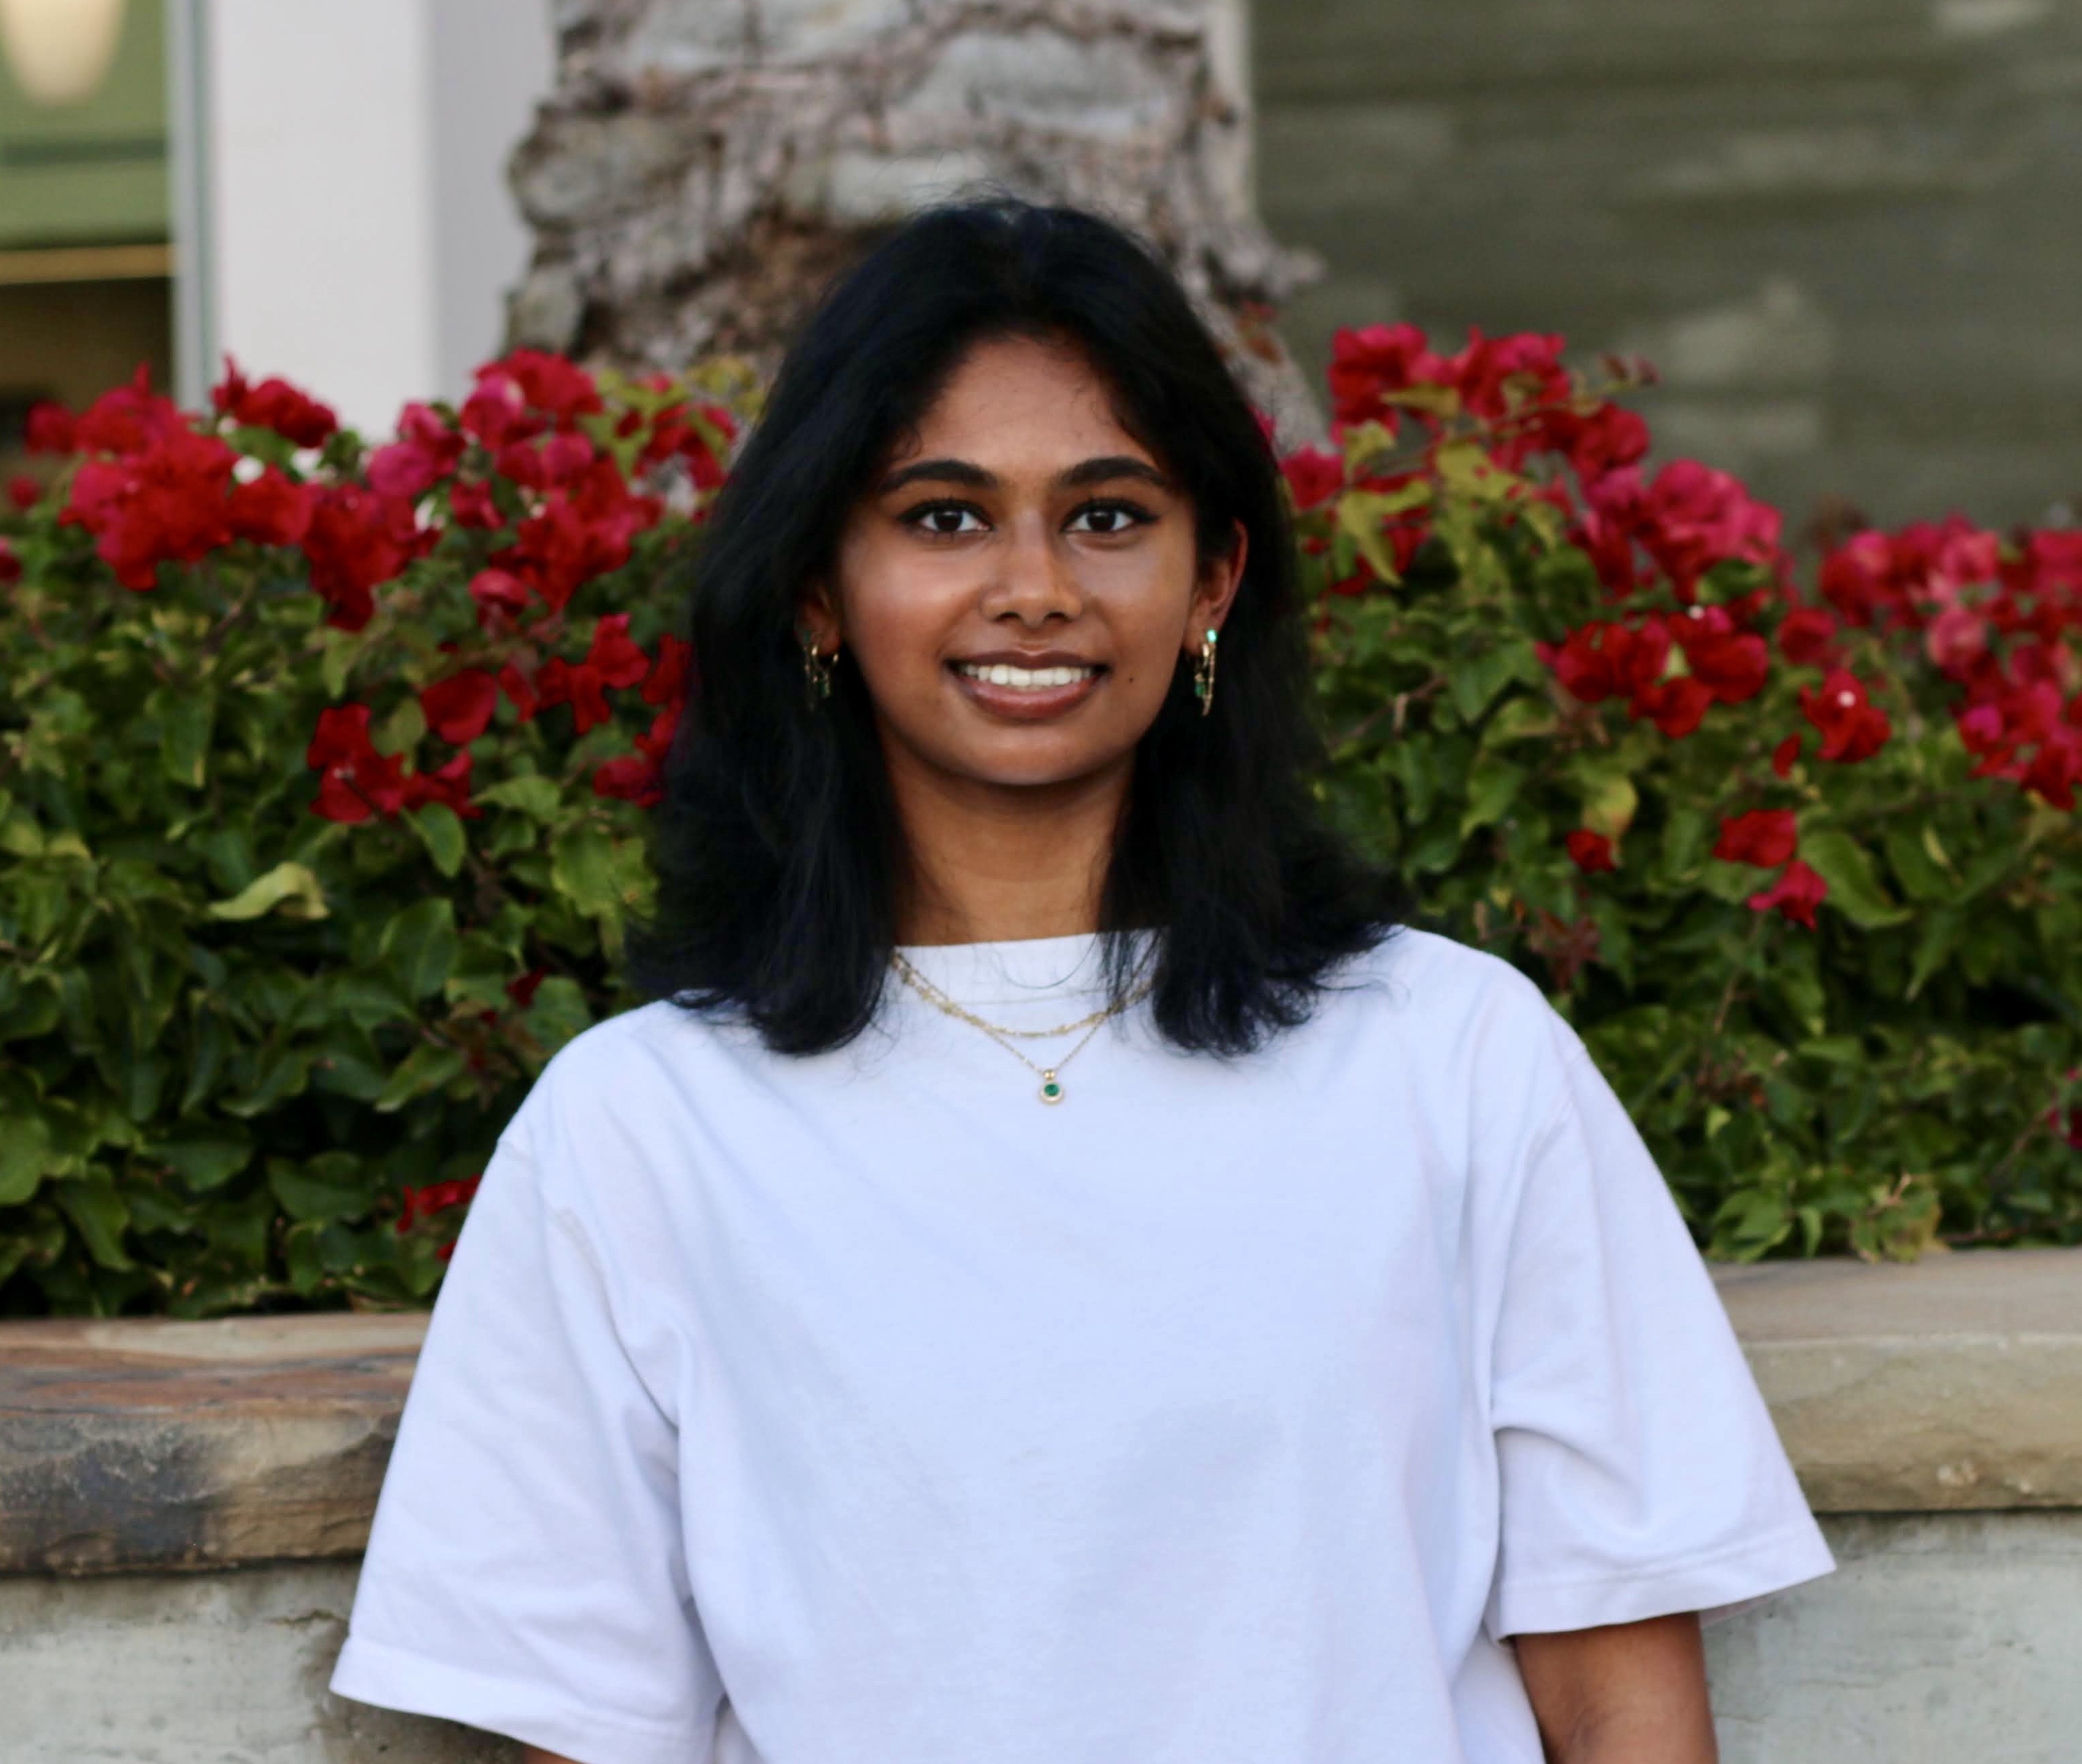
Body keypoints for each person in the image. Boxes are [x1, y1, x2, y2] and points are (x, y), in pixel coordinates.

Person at [330, 200, 1831, 1764]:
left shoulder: (1449, 1056)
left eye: (1107, 515)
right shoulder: (639, 1129)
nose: (1033, 586)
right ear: (817, 588)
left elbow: (1619, 1704)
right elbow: (576, 1725)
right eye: (943, 518)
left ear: (1212, 578)